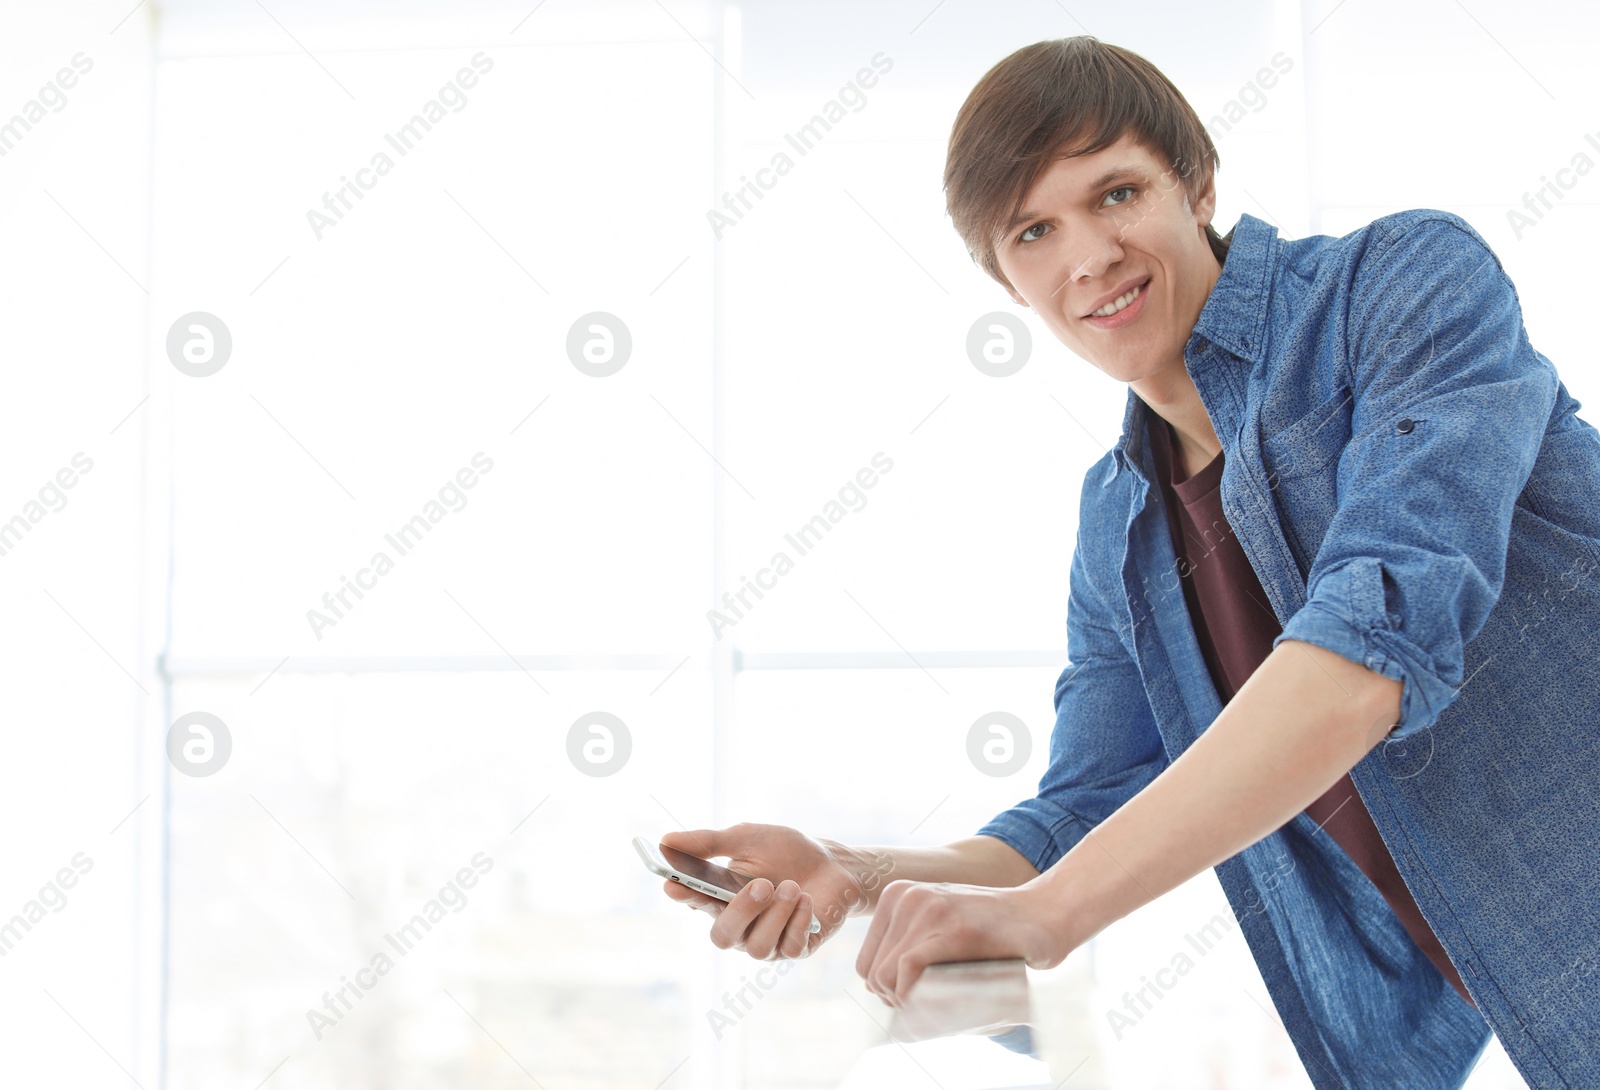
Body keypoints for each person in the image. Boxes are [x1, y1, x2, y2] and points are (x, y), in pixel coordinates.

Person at [661, 36, 1600, 1090]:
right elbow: (1081, 808)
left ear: (1194, 183)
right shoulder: (1118, 520)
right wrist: (861, 872)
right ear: (1004, 279)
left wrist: (1048, 914)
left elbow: (1376, 636)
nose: (1089, 258)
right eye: (1033, 231)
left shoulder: (1400, 285)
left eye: (1114, 193)